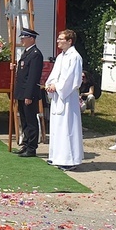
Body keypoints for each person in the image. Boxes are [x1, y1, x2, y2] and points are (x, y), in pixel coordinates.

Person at [45, 29, 83, 171]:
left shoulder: (74, 57)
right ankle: (57, 156)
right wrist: (50, 84)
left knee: (68, 126)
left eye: (61, 39)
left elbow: (71, 79)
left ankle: (70, 159)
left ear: (69, 41)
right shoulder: (61, 56)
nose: (58, 41)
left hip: (68, 95)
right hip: (58, 96)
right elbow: (55, 74)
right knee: (57, 126)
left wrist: (58, 86)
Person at [11, 27, 43, 157]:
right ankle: (25, 143)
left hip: (28, 94)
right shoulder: (26, 52)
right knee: (24, 120)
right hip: (21, 92)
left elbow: (32, 77)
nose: (22, 40)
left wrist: (28, 95)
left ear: (31, 38)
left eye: (24, 38)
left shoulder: (35, 54)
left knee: (30, 121)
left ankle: (31, 147)